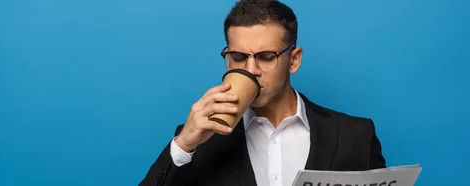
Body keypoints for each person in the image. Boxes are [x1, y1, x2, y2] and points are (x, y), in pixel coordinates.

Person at [139, 0, 386, 185]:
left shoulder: (356, 135)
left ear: (294, 60)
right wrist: (183, 145)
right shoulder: (201, 139)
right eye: (238, 57)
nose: (251, 70)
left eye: (266, 57)